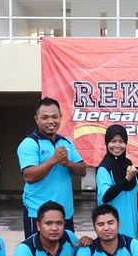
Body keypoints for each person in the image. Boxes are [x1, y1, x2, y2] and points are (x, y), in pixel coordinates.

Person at [17, 97, 87, 238]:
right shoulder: (29, 143)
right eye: (45, 117)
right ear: (36, 119)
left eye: (55, 117)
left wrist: (68, 163)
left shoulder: (66, 142)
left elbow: (82, 170)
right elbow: (29, 176)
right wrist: (53, 160)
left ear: (60, 117)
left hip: (65, 213)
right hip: (38, 213)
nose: (51, 121)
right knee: (38, 251)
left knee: (65, 251)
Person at [96, 124, 138, 239]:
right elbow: (106, 197)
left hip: (131, 223)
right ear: (107, 143)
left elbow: (135, 194)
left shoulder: (128, 164)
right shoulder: (104, 168)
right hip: (112, 227)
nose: (117, 145)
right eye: (113, 141)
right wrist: (127, 179)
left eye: (121, 141)